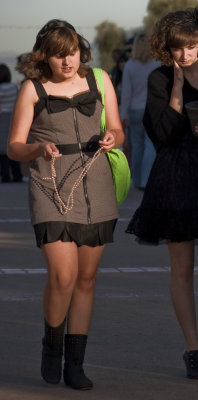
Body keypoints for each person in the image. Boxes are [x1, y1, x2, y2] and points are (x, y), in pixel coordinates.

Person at [126, 7, 198, 380]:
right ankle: (192, 348)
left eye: (191, 46)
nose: (185, 55)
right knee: (181, 268)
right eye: (178, 48)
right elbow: (163, 134)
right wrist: (177, 88)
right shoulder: (159, 80)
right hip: (174, 178)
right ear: (167, 48)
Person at [7, 19, 124, 390]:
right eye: (59, 56)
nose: (67, 61)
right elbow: (13, 146)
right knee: (63, 276)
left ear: (80, 49)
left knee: (86, 279)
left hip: (97, 185)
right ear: (46, 57)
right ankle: (51, 344)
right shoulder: (32, 89)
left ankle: (76, 364)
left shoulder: (100, 81)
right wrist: (38, 148)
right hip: (50, 185)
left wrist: (112, 136)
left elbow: (119, 129)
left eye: (71, 52)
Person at [119, 33, 159, 190]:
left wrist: (123, 115)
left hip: (134, 111)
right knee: (150, 145)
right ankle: (147, 178)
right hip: (152, 109)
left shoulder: (129, 65)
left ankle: (136, 180)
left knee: (136, 145)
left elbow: (126, 93)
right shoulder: (157, 64)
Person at [0, 63, 22, 183]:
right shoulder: (13, 87)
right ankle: (17, 175)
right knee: (13, 145)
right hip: (13, 117)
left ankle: (5, 176)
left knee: (2, 150)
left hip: (2, 117)